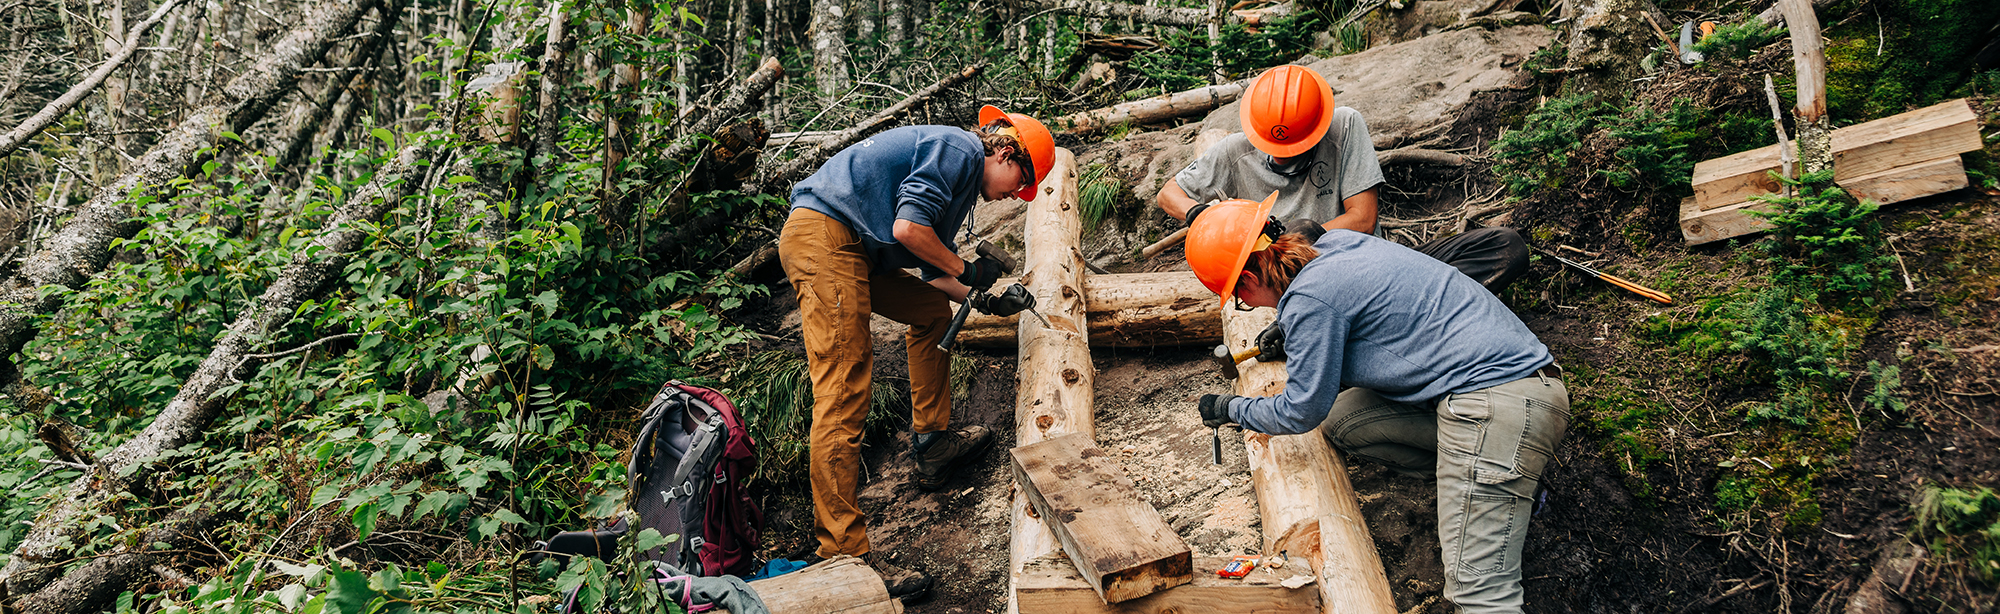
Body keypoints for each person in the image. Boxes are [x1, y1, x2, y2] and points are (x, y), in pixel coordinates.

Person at [1188, 194, 1569, 614]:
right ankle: (1490, 485)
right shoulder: (1340, 247)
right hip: (1520, 390)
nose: (1251, 306)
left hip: (1495, 405)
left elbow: (1300, 410)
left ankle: (1496, 484)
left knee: (1479, 596)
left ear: (1246, 281)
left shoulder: (1309, 299)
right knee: (1344, 419)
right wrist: (1293, 333)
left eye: (1242, 300)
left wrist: (1233, 409)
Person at [777, 106, 1053, 600]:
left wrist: (985, 298)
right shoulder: (959, 149)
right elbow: (908, 232)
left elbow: (931, 273)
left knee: (930, 312)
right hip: (826, 237)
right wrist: (968, 271)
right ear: (1007, 152)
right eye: (1020, 183)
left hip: (857, 248)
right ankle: (843, 556)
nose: (1016, 194)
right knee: (844, 390)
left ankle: (933, 443)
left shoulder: (959, 180)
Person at [1156, 64, 1531, 360]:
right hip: (1291, 289)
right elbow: (1168, 194)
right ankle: (1333, 325)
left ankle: (1396, 315)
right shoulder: (1234, 151)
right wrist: (1200, 216)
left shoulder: (1346, 126)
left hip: (1372, 270)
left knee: (1505, 246)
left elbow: (1363, 219)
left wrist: (1290, 239)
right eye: (1278, 148)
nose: (1288, 157)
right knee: (1303, 233)